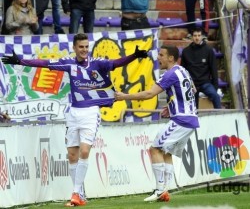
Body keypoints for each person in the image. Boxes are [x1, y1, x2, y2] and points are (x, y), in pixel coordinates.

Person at [1, 33, 148, 206]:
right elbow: (44, 64)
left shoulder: (97, 63)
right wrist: (21, 61)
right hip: (73, 113)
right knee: (72, 155)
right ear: (74, 48)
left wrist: (134, 56)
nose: (84, 50)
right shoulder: (69, 64)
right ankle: (80, 193)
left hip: (91, 113)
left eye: (86, 46)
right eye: (81, 47)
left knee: (84, 152)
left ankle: (76, 194)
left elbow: (116, 63)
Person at [115, 45, 199, 202]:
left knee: (154, 149)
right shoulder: (183, 71)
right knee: (166, 152)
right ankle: (165, 190)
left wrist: (124, 96)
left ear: (171, 58)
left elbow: (149, 94)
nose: (158, 58)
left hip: (181, 119)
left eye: (161, 55)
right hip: (190, 118)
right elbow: (192, 90)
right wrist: (171, 104)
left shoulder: (170, 74)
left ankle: (160, 190)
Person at [181, 28, 221, 109]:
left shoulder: (209, 50)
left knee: (215, 96)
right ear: (192, 37)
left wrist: (215, 87)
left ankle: (220, 115)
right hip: (192, 84)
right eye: (195, 35)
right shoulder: (186, 51)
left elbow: (213, 69)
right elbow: (183, 70)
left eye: (199, 35)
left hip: (205, 83)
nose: (197, 38)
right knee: (192, 106)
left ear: (202, 36)